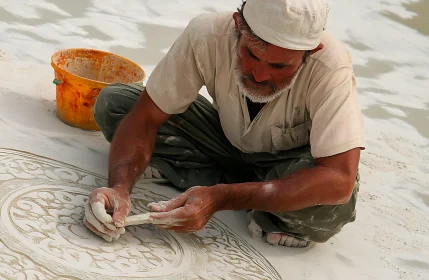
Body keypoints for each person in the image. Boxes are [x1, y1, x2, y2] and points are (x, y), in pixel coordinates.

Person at [83, 0, 365, 248]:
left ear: (310, 52)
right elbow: (145, 117)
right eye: (251, 54)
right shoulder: (206, 34)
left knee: (332, 205)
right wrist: (119, 187)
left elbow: (339, 177)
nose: (260, 74)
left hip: (287, 170)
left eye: (280, 66)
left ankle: (228, 189)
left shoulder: (331, 67)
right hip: (224, 144)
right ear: (237, 26)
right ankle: (250, 196)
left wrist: (223, 197)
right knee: (116, 103)